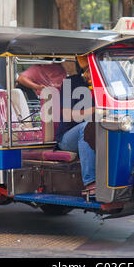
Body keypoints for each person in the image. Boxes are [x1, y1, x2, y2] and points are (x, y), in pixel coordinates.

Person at [55, 61, 96, 196]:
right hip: (67, 138)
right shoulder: (70, 83)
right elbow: (68, 115)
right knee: (87, 128)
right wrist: (97, 110)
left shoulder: (104, 86)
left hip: (97, 134)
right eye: (90, 69)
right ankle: (90, 183)